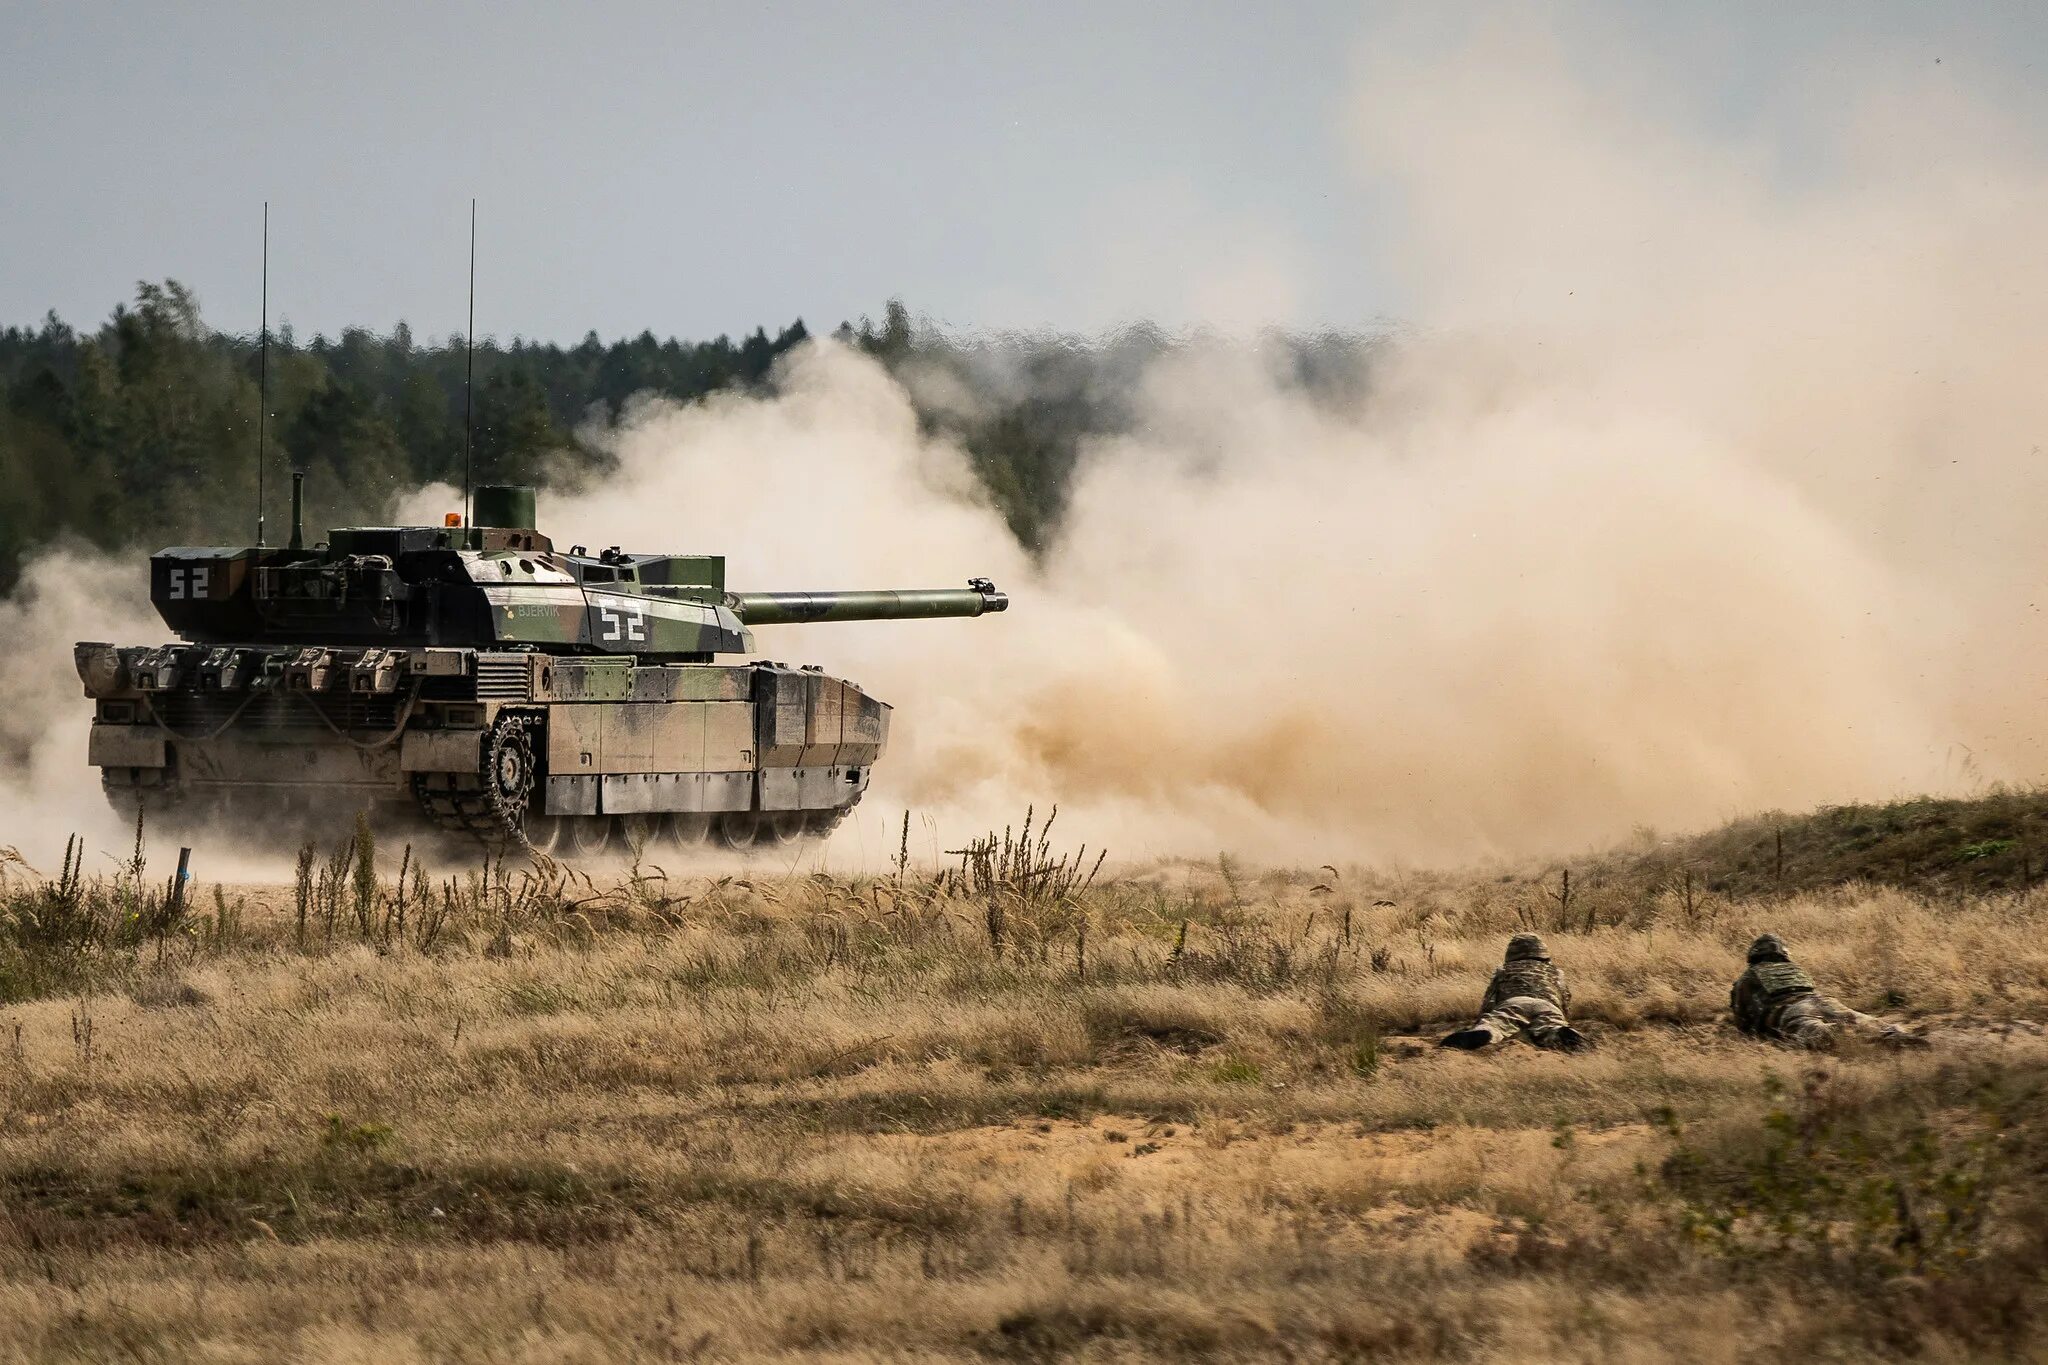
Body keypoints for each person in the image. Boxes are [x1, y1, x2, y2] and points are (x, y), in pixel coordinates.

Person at [1729, 933, 1927, 1049]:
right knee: (1855, 1017)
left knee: (1817, 1033)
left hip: (1790, 1012)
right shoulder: (1795, 969)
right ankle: (1893, 1033)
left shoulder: (1747, 977)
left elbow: (1743, 1021)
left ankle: (1844, 1033)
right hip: (1822, 1001)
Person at [1439, 933, 1589, 1053]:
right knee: (1551, 1027)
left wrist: (1480, 1021)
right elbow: (1565, 1000)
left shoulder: (1503, 970)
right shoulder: (1555, 972)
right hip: (1548, 1006)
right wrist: (1564, 1019)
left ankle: (1485, 1032)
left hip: (1512, 1004)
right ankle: (1559, 1032)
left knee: (1495, 1026)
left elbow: (1489, 1001)